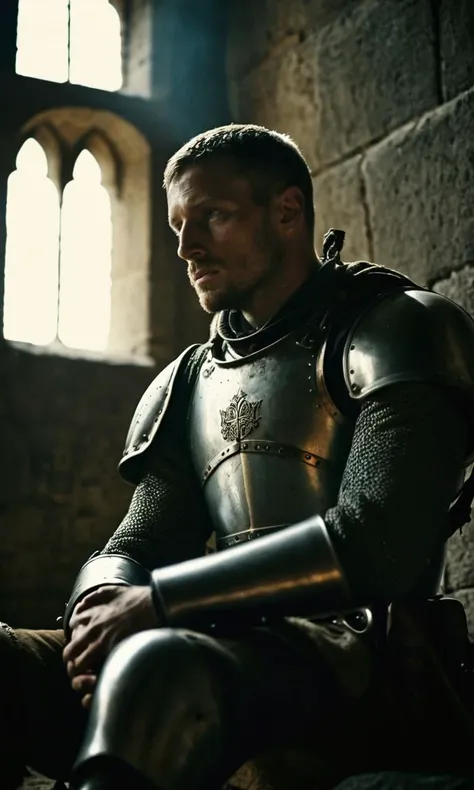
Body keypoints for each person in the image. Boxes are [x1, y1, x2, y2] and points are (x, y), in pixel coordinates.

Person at [2, 124, 474, 790]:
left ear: (287, 214)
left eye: (212, 218)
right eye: (177, 227)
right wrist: (97, 613)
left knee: (157, 668)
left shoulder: (397, 331)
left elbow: (377, 544)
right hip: (214, 634)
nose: (188, 247)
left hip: (356, 656)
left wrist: (159, 603)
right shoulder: (190, 381)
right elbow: (139, 537)